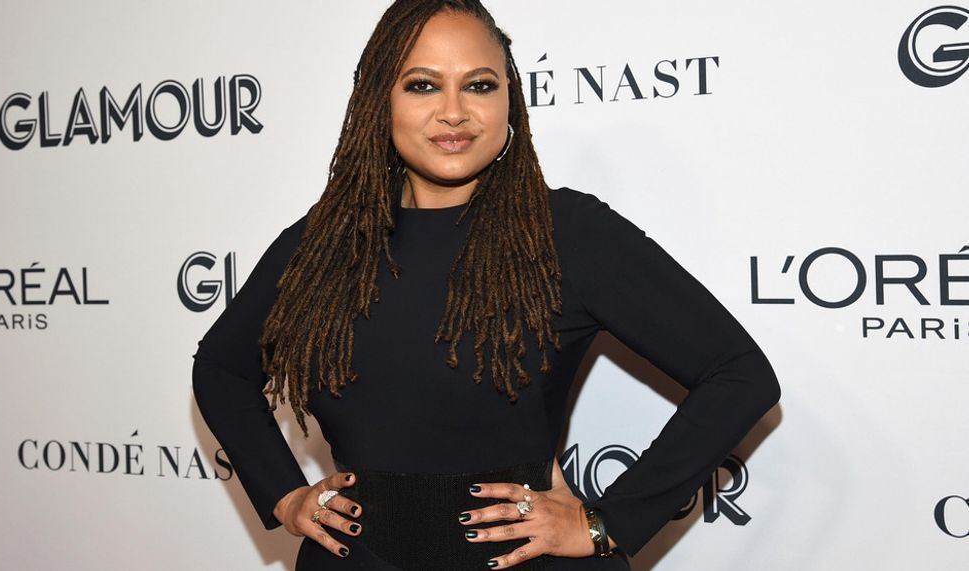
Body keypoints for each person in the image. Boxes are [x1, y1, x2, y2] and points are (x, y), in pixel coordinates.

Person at [191, 0, 781, 569]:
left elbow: (739, 375)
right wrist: (285, 494)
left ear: (509, 102)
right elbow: (221, 368)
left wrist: (607, 522)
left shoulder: (562, 231)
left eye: (479, 85)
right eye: (422, 84)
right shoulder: (323, 242)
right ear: (380, 100)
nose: (454, 111)